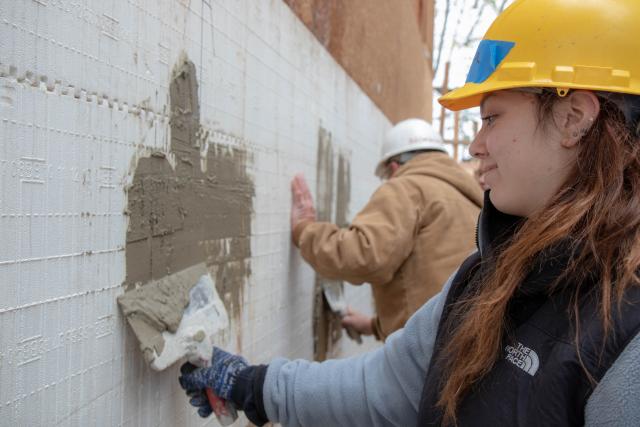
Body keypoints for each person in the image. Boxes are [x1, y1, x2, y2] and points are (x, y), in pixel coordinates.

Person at [178, 1, 640, 425]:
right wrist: (252, 385)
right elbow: (387, 386)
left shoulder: (625, 331)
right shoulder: (489, 276)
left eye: (491, 118)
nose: (476, 146)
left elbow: (366, 254)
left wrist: (304, 231)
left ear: (573, 116)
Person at [291, 118, 483, 340]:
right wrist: (375, 326)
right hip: (462, 341)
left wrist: (304, 230)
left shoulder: (407, 187)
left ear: (393, 167)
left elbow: (363, 256)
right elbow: (431, 281)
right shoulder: (469, 198)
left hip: (427, 352)